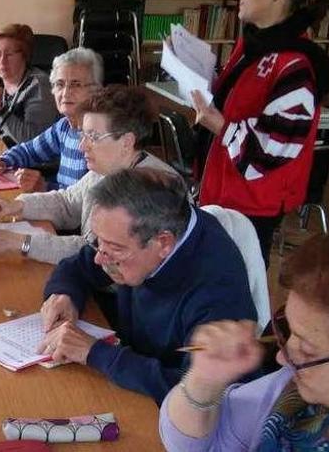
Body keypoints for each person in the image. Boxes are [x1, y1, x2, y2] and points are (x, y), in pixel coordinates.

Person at [38, 168, 257, 404]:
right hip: (131, 374)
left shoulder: (216, 292)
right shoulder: (134, 233)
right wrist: (64, 295)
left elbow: (200, 394)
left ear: (163, 243)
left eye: (114, 249)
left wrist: (96, 354)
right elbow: (78, 266)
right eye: (99, 242)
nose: (99, 259)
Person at [160, 229, 329, 451]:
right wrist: (204, 381)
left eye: (308, 351)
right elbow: (193, 445)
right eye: (286, 327)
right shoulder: (288, 393)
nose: (280, 357)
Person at [191, 0, 329, 267]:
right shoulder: (253, 46)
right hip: (221, 193)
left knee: (236, 292)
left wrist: (219, 125)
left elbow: (268, 153)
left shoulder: (296, 66)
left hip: (250, 207)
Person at [0, 86, 177, 264]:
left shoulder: (151, 190)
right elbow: (68, 202)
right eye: (83, 135)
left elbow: (95, 255)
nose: (82, 146)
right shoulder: (109, 168)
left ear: (126, 142)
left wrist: (18, 242)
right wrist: (17, 206)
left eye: (93, 137)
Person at [0, 47, 104, 192]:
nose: (66, 93)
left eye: (76, 84)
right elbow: (29, 151)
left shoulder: (99, 137)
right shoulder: (64, 127)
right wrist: (3, 161)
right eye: (60, 84)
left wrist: (45, 187)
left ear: (96, 91)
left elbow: (84, 201)